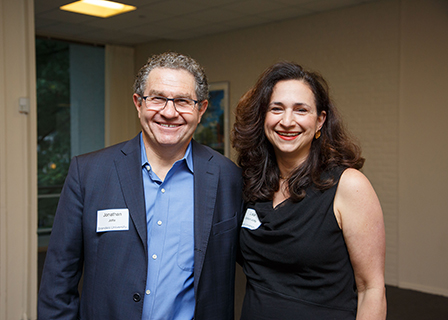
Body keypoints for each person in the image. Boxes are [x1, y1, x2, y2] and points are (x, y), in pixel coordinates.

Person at [38, 52, 244, 320]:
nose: (169, 113)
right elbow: (57, 283)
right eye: (157, 98)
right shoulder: (89, 174)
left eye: (183, 101)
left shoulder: (228, 177)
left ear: (201, 109)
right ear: (138, 103)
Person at [232, 62, 386, 319]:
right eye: (276, 109)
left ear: (319, 121)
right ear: (263, 117)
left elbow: (371, 289)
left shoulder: (348, 186)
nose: (287, 121)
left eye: (301, 110)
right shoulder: (251, 184)